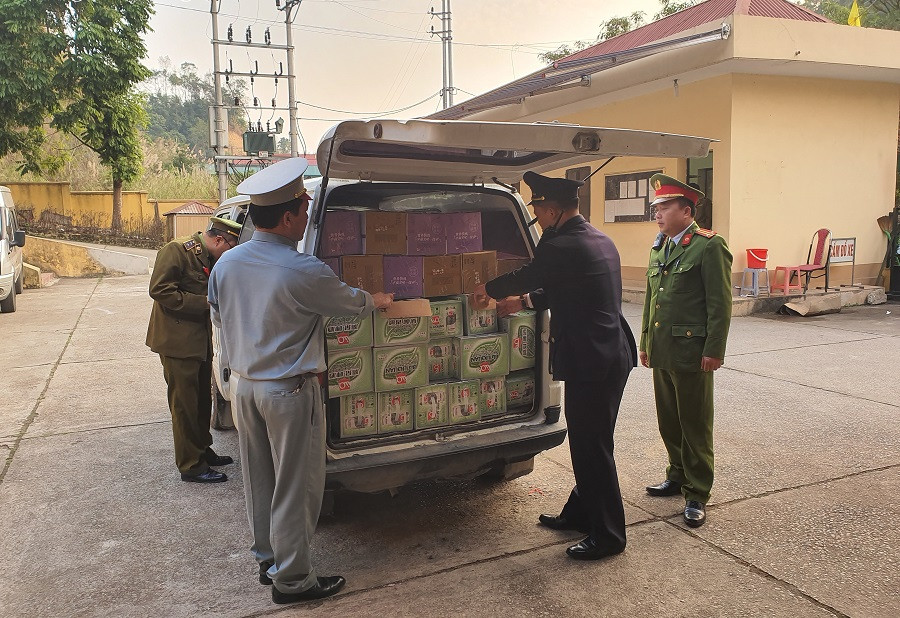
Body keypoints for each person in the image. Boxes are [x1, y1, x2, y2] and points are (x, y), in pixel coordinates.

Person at [208, 158, 393, 604]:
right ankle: (293, 580)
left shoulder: (227, 263)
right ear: (288, 218)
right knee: (296, 485)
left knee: (259, 479)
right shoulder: (302, 269)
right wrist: (378, 299)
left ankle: (269, 560)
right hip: (288, 390)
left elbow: (218, 316)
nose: (308, 214)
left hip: (244, 386)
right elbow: (350, 302)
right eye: (305, 208)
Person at [473, 170, 636, 561]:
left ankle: (609, 536)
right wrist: (524, 301)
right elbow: (567, 286)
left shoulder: (561, 244)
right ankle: (580, 512)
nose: (538, 219)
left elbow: (532, 274)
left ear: (551, 210)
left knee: (591, 446)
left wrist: (487, 289)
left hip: (592, 362)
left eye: (539, 211)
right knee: (592, 441)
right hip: (610, 354)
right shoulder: (597, 238)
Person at [639, 173, 733, 528]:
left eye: (664, 207)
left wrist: (714, 349)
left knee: (695, 423)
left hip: (692, 352)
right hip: (663, 349)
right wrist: (646, 342)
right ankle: (676, 475)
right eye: (656, 208)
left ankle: (697, 492)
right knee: (669, 420)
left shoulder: (709, 246)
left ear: (686, 211)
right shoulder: (660, 247)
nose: (658, 214)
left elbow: (720, 304)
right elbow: (651, 300)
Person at [146, 216, 241, 483]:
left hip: (198, 341)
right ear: (219, 240)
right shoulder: (177, 250)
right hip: (177, 343)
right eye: (230, 248)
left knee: (201, 401)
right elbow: (159, 290)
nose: (229, 255)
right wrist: (206, 303)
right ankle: (191, 466)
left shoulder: (207, 257)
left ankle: (202, 451)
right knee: (185, 406)